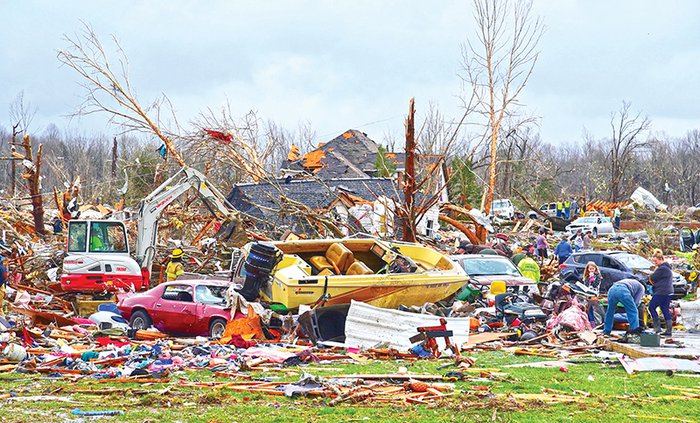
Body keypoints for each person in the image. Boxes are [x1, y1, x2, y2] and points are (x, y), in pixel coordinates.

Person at [648, 250, 674, 336]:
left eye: (656, 261)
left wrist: (651, 275)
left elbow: (653, 277)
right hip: (668, 292)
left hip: (661, 292)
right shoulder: (667, 267)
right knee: (664, 309)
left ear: (660, 259)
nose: (655, 263)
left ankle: (657, 328)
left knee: (651, 307)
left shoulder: (662, 268)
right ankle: (669, 330)